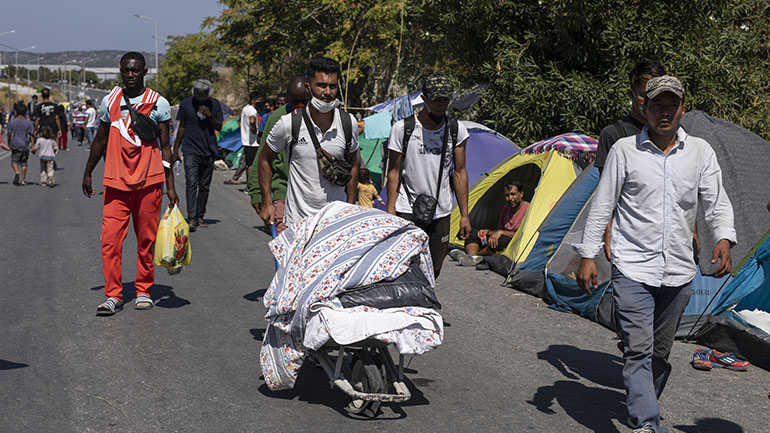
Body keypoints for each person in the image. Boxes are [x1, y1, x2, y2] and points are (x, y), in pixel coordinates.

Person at [575, 76, 736, 433]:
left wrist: (724, 237)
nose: (664, 113)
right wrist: (587, 256)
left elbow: (716, 203)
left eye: (671, 105)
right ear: (644, 107)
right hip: (632, 267)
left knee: (659, 354)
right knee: (637, 349)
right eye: (656, 105)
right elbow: (602, 206)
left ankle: (642, 399)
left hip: (679, 271)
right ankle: (647, 423)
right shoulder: (625, 151)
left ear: (682, 108)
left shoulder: (700, 152)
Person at [82, 51, 178, 316]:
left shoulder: (159, 103)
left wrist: (170, 187)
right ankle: (113, 294)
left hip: (150, 182)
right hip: (116, 183)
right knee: (110, 242)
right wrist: (88, 172)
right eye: (126, 70)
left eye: (135, 70)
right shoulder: (109, 102)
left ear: (145, 71)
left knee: (145, 240)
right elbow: (100, 140)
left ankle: (144, 289)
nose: (130, 74)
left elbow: (166, 146)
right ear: (120, 71)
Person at [386, 73, 472, 277]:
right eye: (435, 99)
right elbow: (394, 172)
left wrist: (465, 215)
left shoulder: (456, 130)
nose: (441, 104)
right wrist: (390, 212)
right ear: (424, 98)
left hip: (440, 210)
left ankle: (427, 303)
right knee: (405, 265)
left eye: (445, 99)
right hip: (407, 208)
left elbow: (460, 172)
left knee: (435, 269)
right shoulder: (403, 129)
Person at [257, 57, 359, 227]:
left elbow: (353, 164)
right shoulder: (289, 123)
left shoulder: (349, 123)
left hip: (335, 223)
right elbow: (264, 159)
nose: (327, 92)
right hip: (298, 221)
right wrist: (267, 202)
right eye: (321, 85)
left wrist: (350, 204)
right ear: (308, 87)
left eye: (332, 86)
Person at [249, 76, 309, 234]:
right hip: (284, 191)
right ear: (289, 97)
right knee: (286, 247)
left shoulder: (319, 118)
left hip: (312, 197)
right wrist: (257, 193)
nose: (300, 106)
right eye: (295, 101)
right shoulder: (277, 119)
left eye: (304, 101)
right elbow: (262, 159)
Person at [173, 79, 223, 232]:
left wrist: (209, 115)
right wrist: (176, 150)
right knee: (191, 183)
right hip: (190, 150)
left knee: (204, 186)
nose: (200, 100)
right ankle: (192, 217)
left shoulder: (215, 104)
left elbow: (219, 126)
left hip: (209, 150)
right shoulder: (186, 104)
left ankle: (200, 215)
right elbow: (182, 126)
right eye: (198, 97)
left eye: (203, 97)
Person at [455, 180, 529, 266]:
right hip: (499, 239)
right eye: (507, 195)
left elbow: (524, 236)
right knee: (473, 233)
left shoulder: (528, 209)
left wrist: (501, 232)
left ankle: (475, 257)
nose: (510, 198)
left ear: (521, 194)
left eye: (513, 194)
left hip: (513, 243)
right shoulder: (506, 208)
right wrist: (489, 232)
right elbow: (499, 230)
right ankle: (472, 257)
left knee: (501, 241)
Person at [225, 92, 260, 185]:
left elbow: (240, 121)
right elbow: (252, 120)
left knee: (245, 161)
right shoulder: (252, 110)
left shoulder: (245, 108)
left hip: (246, 140)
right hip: (253, 142)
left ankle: (235, 178)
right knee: (251, 164)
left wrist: (244, 130)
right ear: (254, 100)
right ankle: (250, 185)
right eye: (259, 99)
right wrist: (254, 130)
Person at [5, 103, 35, 186]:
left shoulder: (12, 122)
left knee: (14, 161)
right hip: (25, 145)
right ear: (25, 112)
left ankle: (17, 172)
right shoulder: (28, 123)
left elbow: (9, 133)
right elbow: (31, 135)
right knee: (24, 163)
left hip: (15, 144)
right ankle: (22, 180)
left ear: (16, 112)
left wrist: (8, 143)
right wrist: (33, 146)